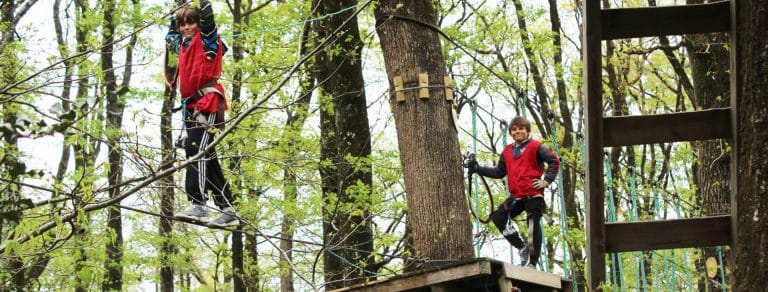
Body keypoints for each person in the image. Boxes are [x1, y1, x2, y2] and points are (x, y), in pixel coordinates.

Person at [166, 0, 238, 227]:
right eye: (182, 24)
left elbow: (207, 18)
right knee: (208, 156)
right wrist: (179, 5)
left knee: (195, 149)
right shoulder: (181, 44)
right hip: (191, 108)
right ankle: (227, 208)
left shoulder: (207, 41)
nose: (186, 27)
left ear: (199, 24)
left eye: (191, 22)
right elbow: (170, 36)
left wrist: (201, 3)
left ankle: (198, 202)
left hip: (206, 104)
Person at [467, 116, 560, 268]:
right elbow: (499, 172)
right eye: (514, 129)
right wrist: (478, 169)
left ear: (528, 131)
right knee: (498, 217)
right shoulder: (507, 152)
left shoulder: (536, 146)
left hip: (533, 194)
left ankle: (532, 262)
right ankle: (521, 247)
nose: (518, 131)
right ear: (511, 132)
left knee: (532, 225)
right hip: (516, 195)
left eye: (521, 128)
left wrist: (546, 180)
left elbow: (554, 161)